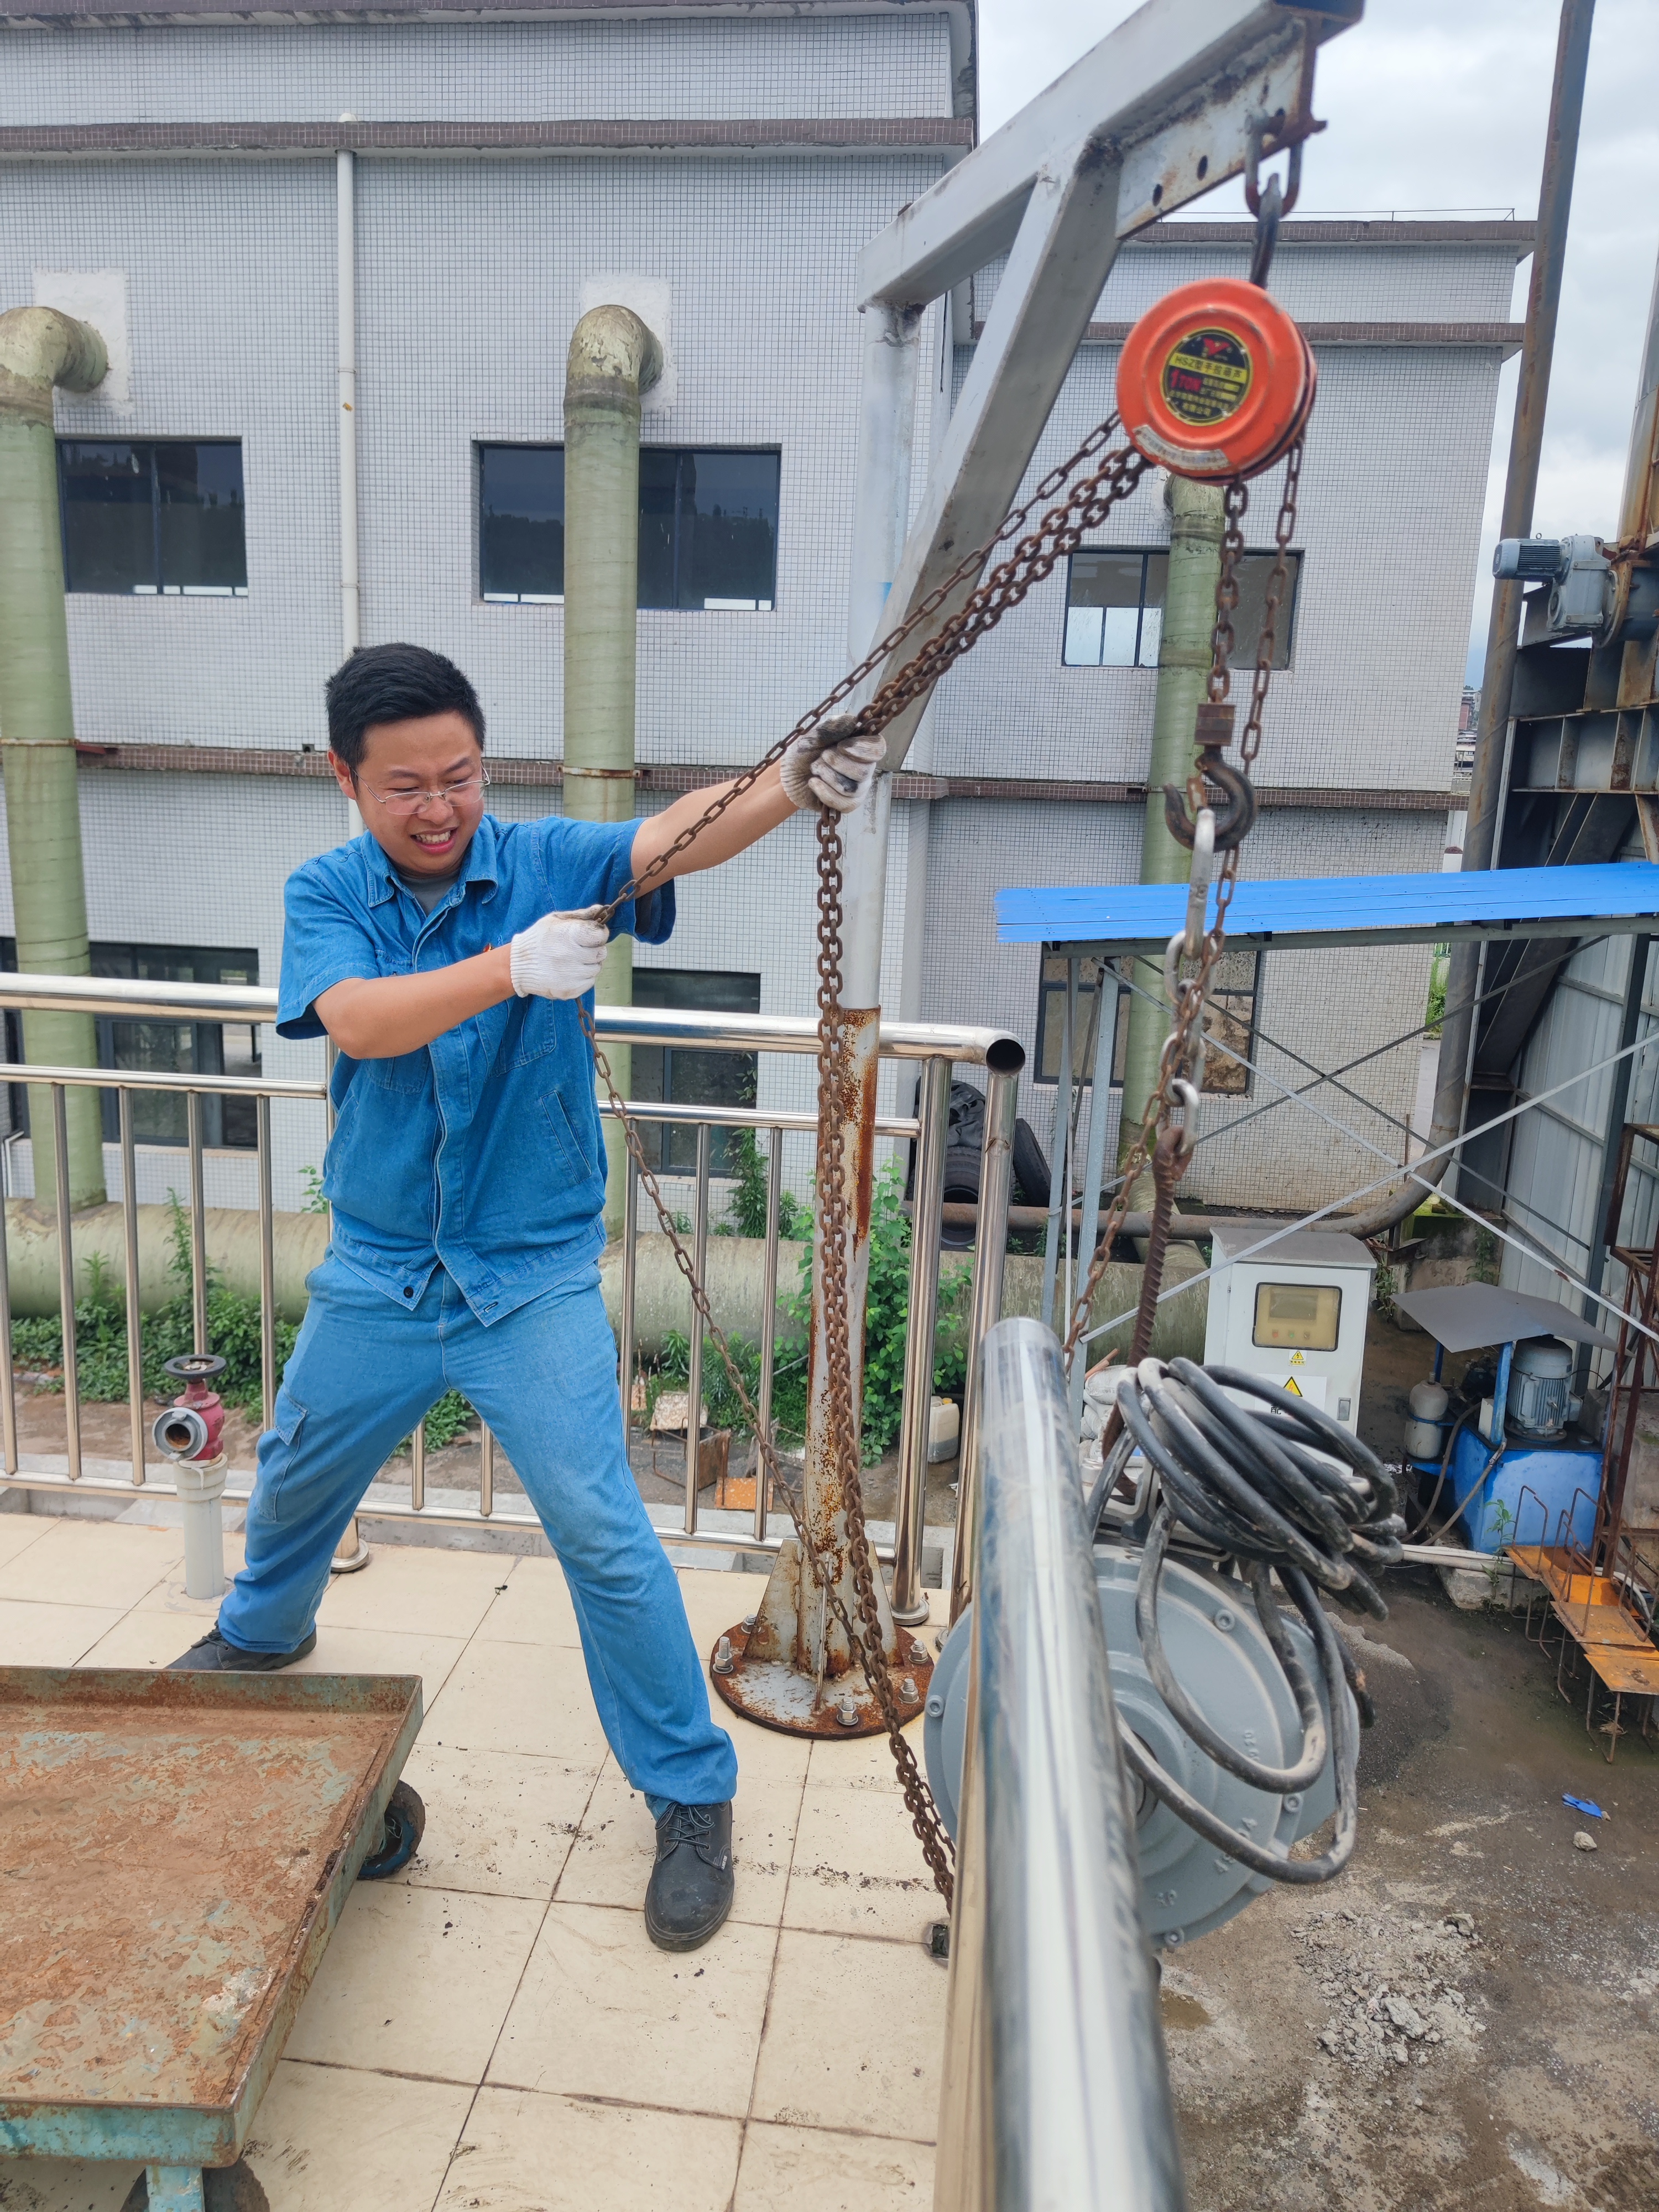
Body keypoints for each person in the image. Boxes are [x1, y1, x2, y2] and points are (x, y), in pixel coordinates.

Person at [170, 642, 882, 1953]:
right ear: (345, 778)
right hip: (382, 1267)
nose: (440, 804)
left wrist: (788, 780)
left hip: (530, 1272)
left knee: (604, 1531)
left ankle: (691, 1793)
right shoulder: (327, 890)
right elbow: (361, 1019)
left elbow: (670, 836)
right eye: (406, 785)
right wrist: (510, 967)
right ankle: (263, 1632)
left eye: (461, 774)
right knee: (298, 1467)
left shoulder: (547, 860)